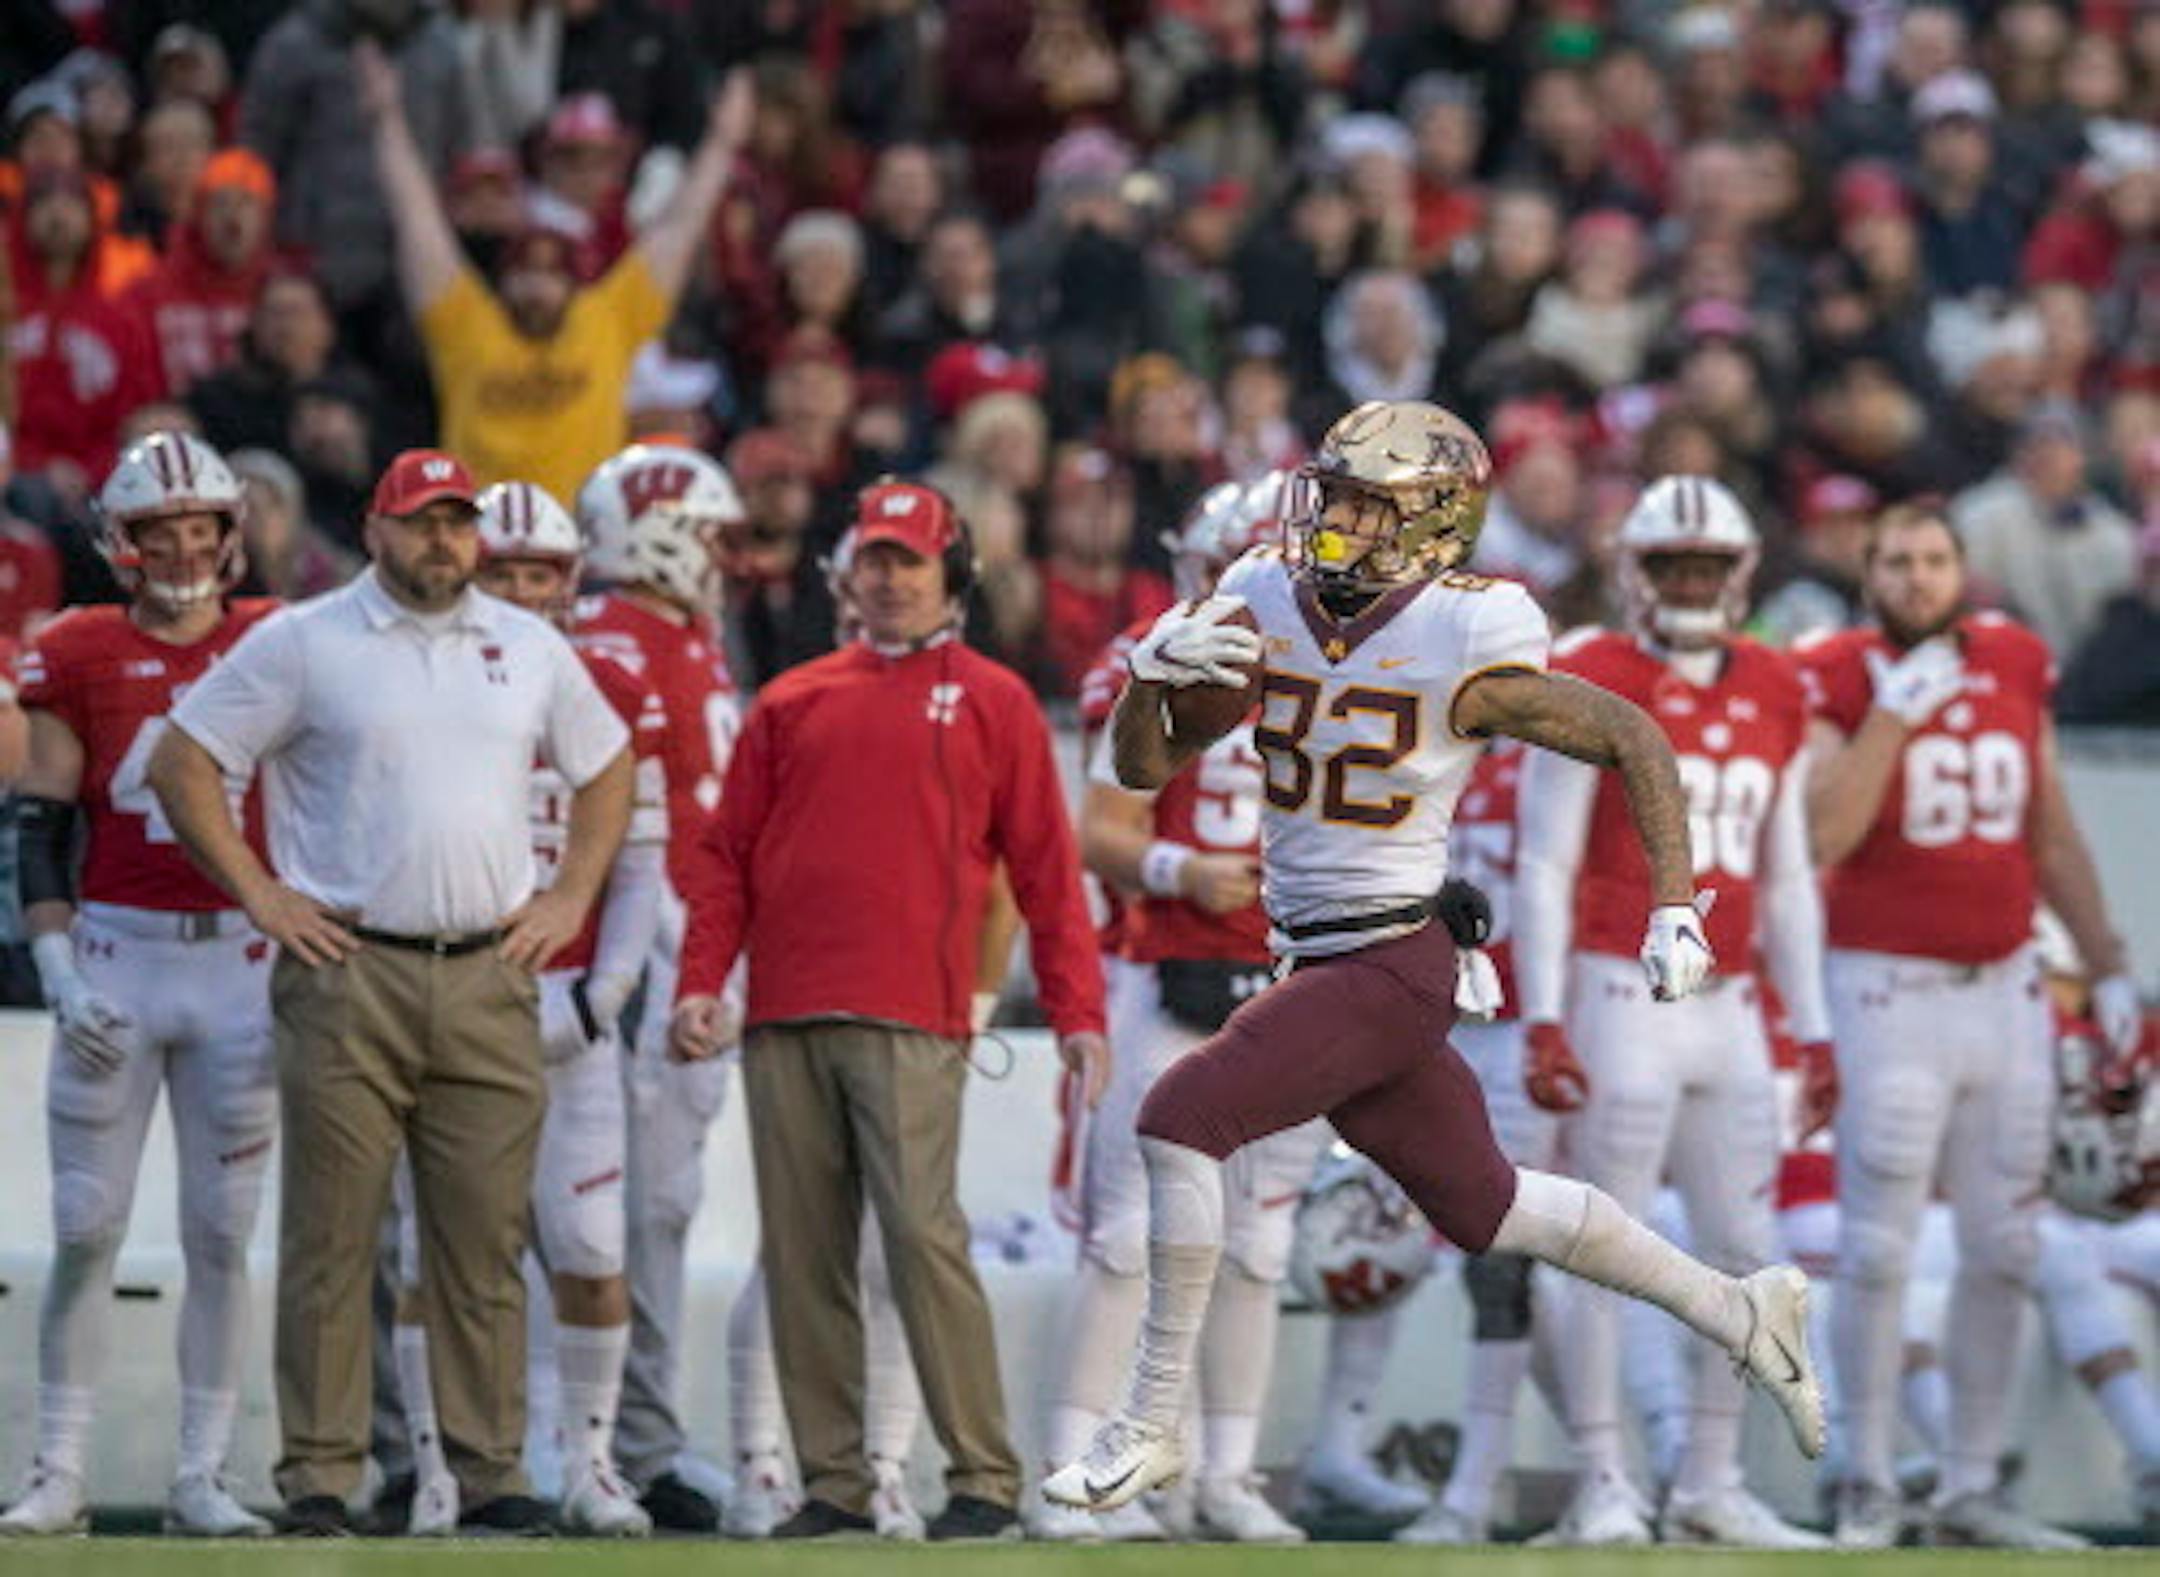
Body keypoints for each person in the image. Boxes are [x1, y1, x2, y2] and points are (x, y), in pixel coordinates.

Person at [1042, 399, 1824, 1519]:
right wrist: (1150, 679)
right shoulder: (1266, 590)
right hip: (1319, 962)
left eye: (1368, 503)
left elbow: (1632, 734)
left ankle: (1150, 1425)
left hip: (1391, 960)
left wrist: (1670, 901)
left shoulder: (1471, 626)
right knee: (1492, 1207)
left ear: (1435, 521)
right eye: (1334, 494)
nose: (1336, 520)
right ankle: (1740, 1307)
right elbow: (1142, 763)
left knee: (1178, 1115)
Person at [144, 447, 634, 1536]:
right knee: (334, 1232)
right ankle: (321, 1470)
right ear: (374, 529)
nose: (443, 542)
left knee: (482, 1235)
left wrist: (570, 894)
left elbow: (608, 765)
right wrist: (263, 892)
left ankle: (490, 1465)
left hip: (490, 967)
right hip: (346, 964)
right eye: (422, 522)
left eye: (458, 522)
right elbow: (184, 761)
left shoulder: (530, 643)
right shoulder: (305, 639)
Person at [670, 478, 1110, 1542]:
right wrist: (700, 981)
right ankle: (833, 1481)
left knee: (921, 1237)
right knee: (804, 1248)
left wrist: (1077, 1009)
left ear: (950, 573)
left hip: (916, 1011)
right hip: (785, 1009)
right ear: (845, 574)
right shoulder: (790, 699)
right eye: (873, 559)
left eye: (909, 560)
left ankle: (981, 1473)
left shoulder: (997, 698)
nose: (889, 577)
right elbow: (723, 862)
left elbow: (1048, 869)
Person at [1796, 502, 2143, 1550]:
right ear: (1868, 573)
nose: (1915, 577)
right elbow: (1822, 830)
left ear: (1963, 568)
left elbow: (2052, 825)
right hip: (1882, 985)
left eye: (1934, 559)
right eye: (1895, 561)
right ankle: (1864, 1475)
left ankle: (1970, 1483)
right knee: (1877, 1242)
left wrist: (2111, 956)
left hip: (2006, 986)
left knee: (2005, 1241)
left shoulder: (2015, 657)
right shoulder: (1839, 670)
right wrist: (1891, 717)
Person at [1513, 477, 1831, 1549]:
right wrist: (1543, 1014)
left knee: (1747, 1243)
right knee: (1608, 1239)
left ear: (1739, 574)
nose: (1690, 585)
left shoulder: (1780, 682)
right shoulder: (1594, 671)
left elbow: (1786, 875)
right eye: (1672, 566)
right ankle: (1603, 1475)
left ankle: (1707, 1477)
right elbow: (1546, 859)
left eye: (1706, 567)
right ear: (1633, 571)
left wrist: (1817, 1024)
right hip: (1618, 984)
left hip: (1733, 1001)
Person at [0, 432, 279, 1538]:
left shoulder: (279, 640)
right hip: (116, 946)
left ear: (230, 531)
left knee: (220, 1231)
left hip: (239, 965)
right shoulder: (75, 644)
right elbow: (46, 818)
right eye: (157, 528)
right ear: (121, 540)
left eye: (197, 524)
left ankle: (202, 1472)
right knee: (85, 1222)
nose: (180, 546)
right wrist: (57, 963)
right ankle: (59, 1466)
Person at [1033, 478, 1319, 1546]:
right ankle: (1072, 1469)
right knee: (1127, 1238)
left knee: (1256, 1249)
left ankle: (1223, 1475)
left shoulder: (1338, 676)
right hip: (1169, 973)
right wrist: (1180, 867)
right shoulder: (1145, 659)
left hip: (1294, 990)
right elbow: (1099, 826)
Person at [383, 479, 668, 1537]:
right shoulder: (418, 665)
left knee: (590, 1244)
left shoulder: (608, 678)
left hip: (571, 997)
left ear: (570, 579)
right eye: (499, 569)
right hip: (452, 981)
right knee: (433, 1252)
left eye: (535, 572)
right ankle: (436, 1466)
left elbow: (642, 859)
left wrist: (605, 997)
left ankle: (584, 1459)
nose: (516, 590)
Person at [571, 442, 745, 1532]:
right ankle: (592, 1438)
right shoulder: (606, 644)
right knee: (604, 1214)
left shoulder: (680, 636)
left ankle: (642, 1438)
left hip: (691, 946)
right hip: (632, 954)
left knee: (663, 1210)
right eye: (713, 536)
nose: (725, 557)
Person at [357, 44, 750, 502]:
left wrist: (723, 141)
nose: (536, 286)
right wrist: (385, 120)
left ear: (574, 283)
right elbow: (416, 219)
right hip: (482, 540)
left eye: (551, 274)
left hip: (579, 539)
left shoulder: (610, 318)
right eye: (523, 272)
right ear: (502, 285)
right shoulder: (465, 323)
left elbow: (681, 229)